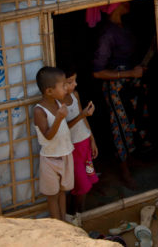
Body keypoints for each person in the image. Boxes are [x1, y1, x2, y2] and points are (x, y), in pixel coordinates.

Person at [91, 2, 151, 189]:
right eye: (123, 1)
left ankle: (131, 159)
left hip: (130, 85)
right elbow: (97, 72)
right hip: (116, 89)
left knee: (132, 123)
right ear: (115, 7)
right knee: (120, 127)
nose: (127, 2)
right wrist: (129, 74)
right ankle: (124, 171)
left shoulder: (122, 27)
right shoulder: (107, 34)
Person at [33, 66, 74, 221]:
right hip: (50, 159)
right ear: (49, 91)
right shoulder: (39, 111)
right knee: (53, 196)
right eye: (62, 85)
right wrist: (58, 118)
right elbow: (48, 136)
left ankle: (63, 221)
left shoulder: (58, 103)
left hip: (64, 155)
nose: (65, 88)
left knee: (62, 192)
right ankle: (58, 227)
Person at [62, 66, 99, 220]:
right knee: (81, 185)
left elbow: (83, 120)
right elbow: (64, 127)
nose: (75, 84)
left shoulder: (75, 95)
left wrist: (92, 139)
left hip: (84, 143)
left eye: (75, 81)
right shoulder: (59, 103)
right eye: (70, 82)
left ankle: (79, 215)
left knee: (87, 181)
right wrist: (82, 114)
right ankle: (74, 215)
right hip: (73, 148)